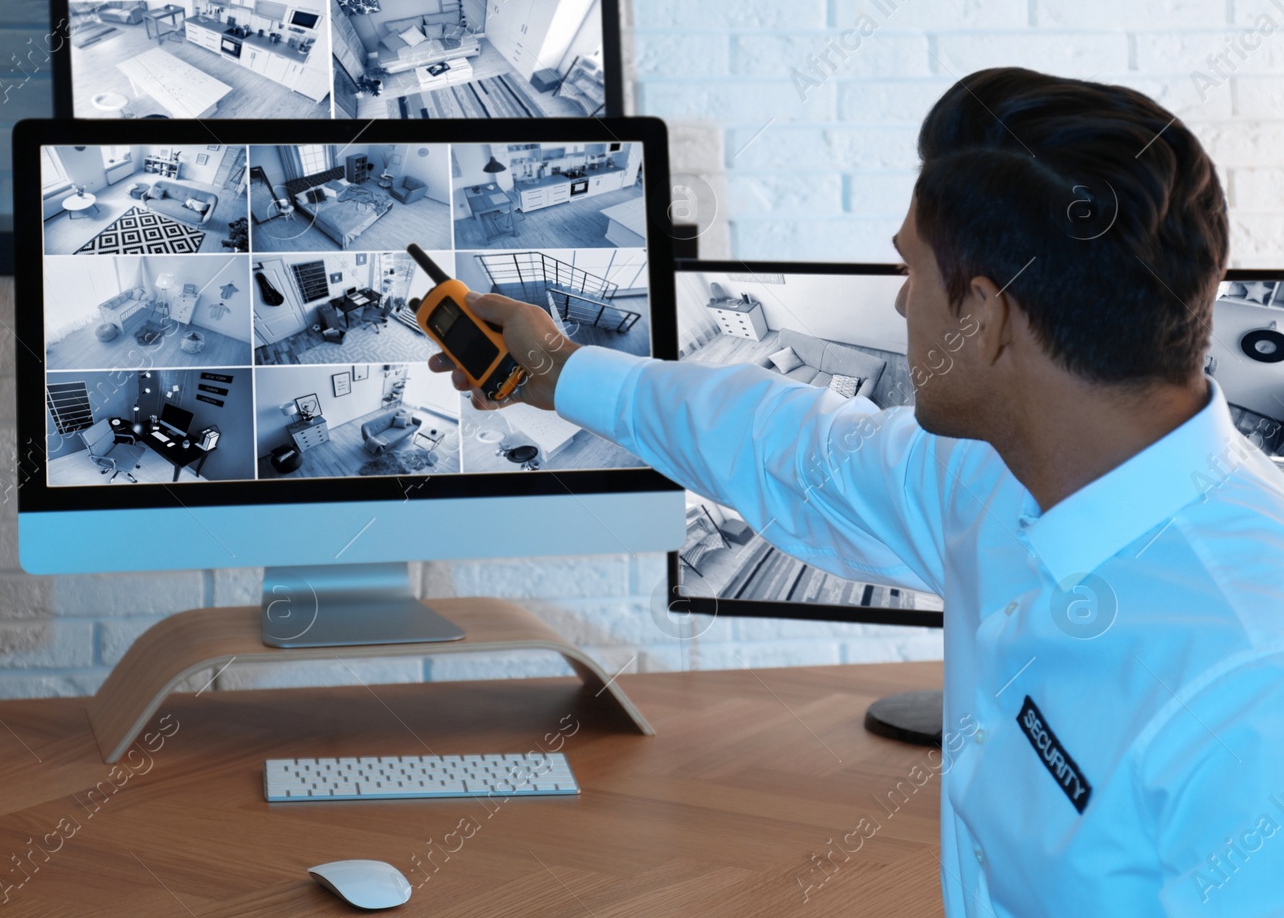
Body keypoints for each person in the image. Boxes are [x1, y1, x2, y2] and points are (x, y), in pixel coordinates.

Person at [431, 68, 1284, 917]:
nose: (905, 299)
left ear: (984, 319)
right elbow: (786, 445)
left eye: (910, 271)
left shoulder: (1249, 679)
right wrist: (560, 370)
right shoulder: (998, 477)